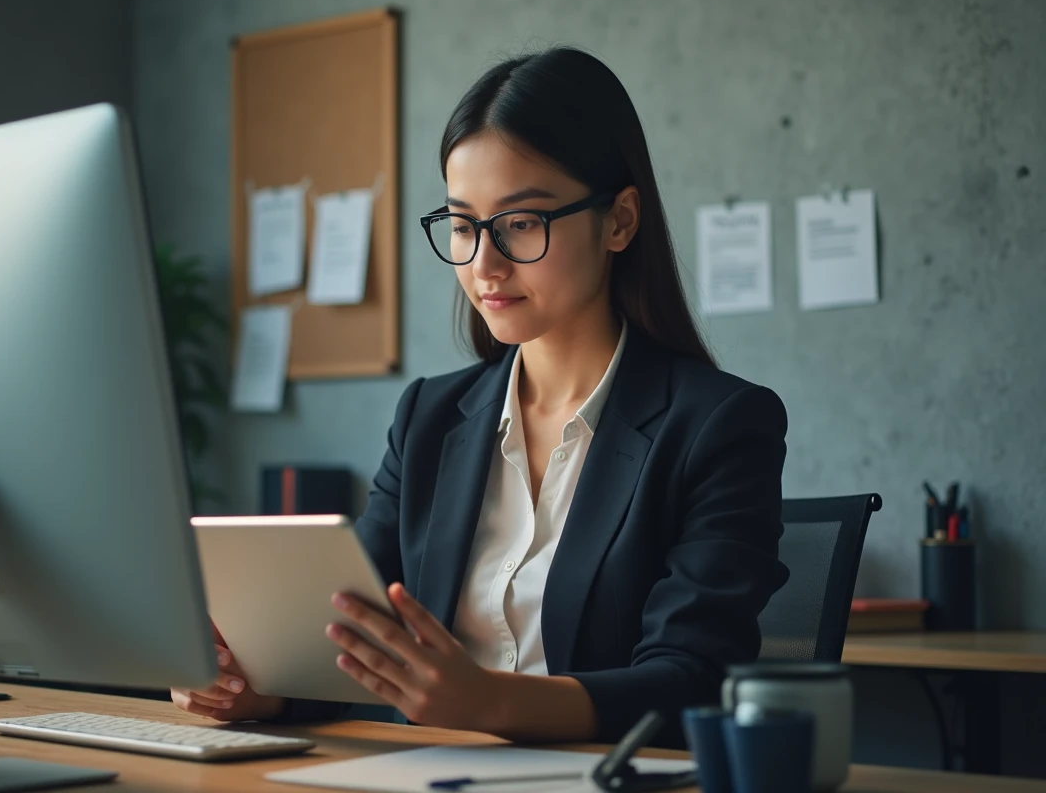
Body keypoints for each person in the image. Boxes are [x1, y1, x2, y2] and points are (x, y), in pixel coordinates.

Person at [172, 46, 790, 746]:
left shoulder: (720, 425)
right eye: (464, 227)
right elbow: (353, 640)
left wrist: (491, 702)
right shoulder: (429, 419)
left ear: (619, 220)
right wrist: (255, 690)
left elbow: (692, 680)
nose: (484, 264)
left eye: (521, 224)